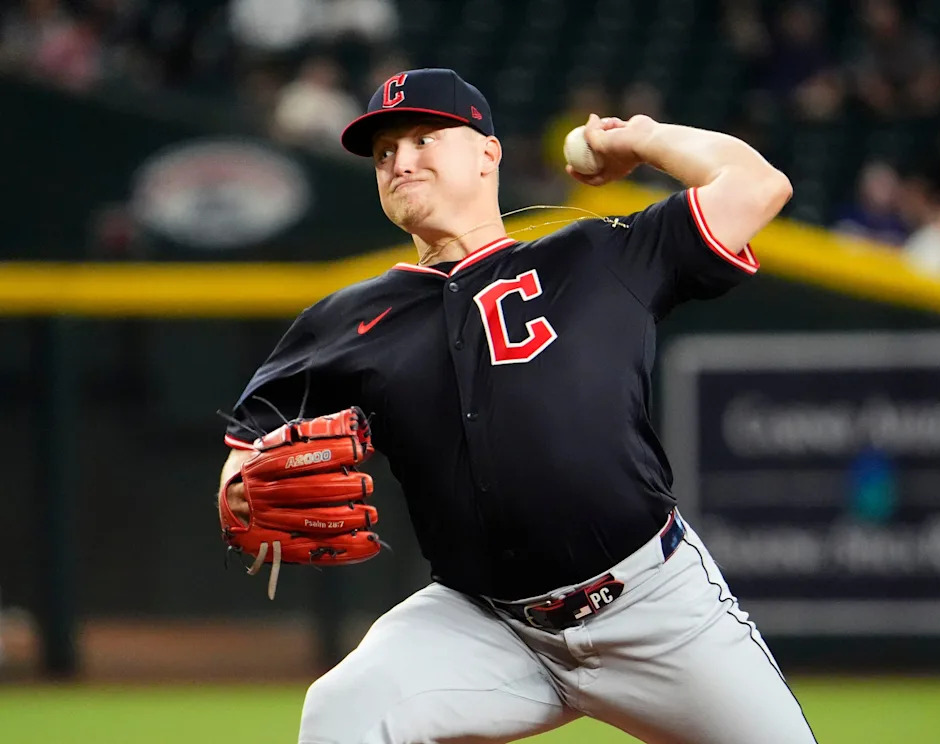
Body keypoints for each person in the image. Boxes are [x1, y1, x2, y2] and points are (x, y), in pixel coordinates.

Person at [219, 68, 814, 744]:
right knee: (345, 707)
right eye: (384, 152)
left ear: (487, 154)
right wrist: (237, 483)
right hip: (484, 624)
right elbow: (252, 436)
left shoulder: (597, 255)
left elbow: (759, 186)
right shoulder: (345, 319)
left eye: (422, 138)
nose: (400, 160)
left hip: (655, 608)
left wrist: (641, 139)